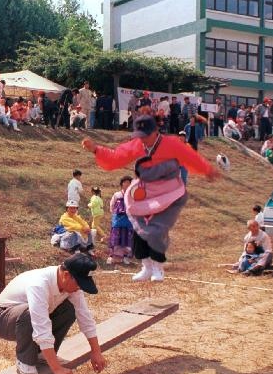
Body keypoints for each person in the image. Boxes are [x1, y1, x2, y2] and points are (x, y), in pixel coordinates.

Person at [82, 115, 217, 282]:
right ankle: (146, 266)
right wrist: (96, 149)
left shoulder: (172, 143)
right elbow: (116, 157)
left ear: (155, 131)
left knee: (157, 229)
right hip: (146, 192)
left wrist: (207, 170)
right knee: (139, 228)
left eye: (146, 135)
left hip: (169, 191)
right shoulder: (138, 145)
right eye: (140, 136)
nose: (143, 140)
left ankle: (158, 268)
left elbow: (190, 157)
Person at [0, 253, 105, 374]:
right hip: (3, 320)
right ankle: (24, 360)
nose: (80, 288)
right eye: (79, 284)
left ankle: (42, 355)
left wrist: (96, 351)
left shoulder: (70, 285)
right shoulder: (39, 284)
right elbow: (41, 325)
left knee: (70, 309)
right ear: (66, 275)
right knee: (29, 314)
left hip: (28, 317)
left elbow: (84, 316)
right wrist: (56, 369)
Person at [107, 176, 133, 265]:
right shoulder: (117, 195)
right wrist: (115, 215)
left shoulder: (132, 195)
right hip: (117, 220)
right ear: (121, 184)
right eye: (125, 182)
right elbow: (112, 205)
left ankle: (125, 257)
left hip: (129, 220)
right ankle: (111, 257)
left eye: (129, 183)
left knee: (127, 239)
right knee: (115, 238)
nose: (127, 184)